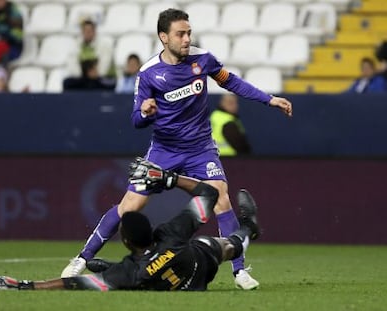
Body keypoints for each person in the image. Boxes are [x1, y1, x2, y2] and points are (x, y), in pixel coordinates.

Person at [62, 8, 292, 290]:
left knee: (221, 198)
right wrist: (146, 111)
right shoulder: (148, 74)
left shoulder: (203, 60)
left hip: (200, 149)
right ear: (164, 37)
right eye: (180, 34)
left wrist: (269, 100)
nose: (186, 39)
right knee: (130, 205)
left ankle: (240, 271)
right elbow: (136, 120)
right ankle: (82, 258)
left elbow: (230, 81)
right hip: (164, 151)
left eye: (188, 33)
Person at [0, 158, 260, 291]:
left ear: (125, 242)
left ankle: (105, 265)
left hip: (183, 285)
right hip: (200, 263)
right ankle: (248, 229)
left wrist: (24, 286)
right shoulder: (171, 232)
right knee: (224, 245)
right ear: (151, 230)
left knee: (116, 278)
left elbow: (76, 284)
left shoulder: (129, 273)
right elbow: (209, 194)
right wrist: (170, 180)